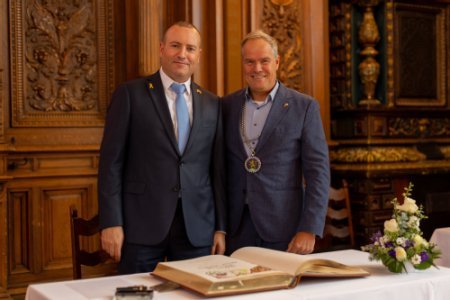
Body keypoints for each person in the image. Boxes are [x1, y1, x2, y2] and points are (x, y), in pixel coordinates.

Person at [98, 21, 226, 274]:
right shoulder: (130, 94)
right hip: (140, 227)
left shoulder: (213, 103)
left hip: (197, 229)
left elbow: (217, 171)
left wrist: (220, 226)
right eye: (175, 46)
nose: (182, 54)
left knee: (193, 294)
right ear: (161, 48)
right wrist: (112, 222)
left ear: (198, 55)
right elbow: (111, 164)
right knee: (134, 294)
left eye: (190, 48)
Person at [222, 30, 330, 255]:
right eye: (250, 62)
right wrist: (219, 228)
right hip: (236, 228)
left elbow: (318, 173)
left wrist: (309, 228)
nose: (257, 68)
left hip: (285, 230)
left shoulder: (304, 107)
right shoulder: (226, 106)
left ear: (277, 62)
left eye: (264, 61)